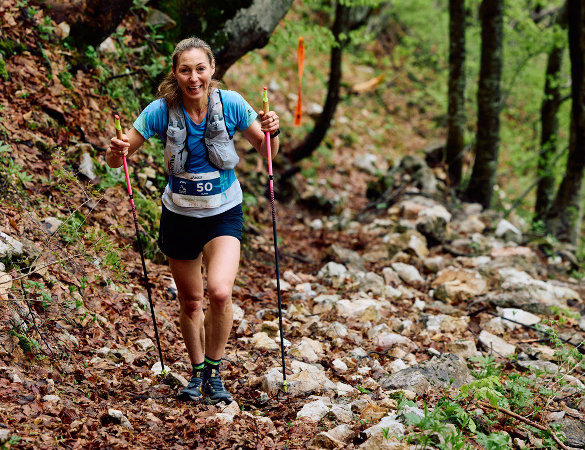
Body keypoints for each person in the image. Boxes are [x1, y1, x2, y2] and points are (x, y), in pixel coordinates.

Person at [106, 37, 280, 404]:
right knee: (190, 302)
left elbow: (268, 153)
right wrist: (116, 150)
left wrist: (272, 131)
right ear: (176, 73)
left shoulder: (230, 103)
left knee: (219, 291)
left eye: (200, 68)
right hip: (180, 214)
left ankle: (215, 372)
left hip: (223, 212)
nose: (193, 77)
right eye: (185, 69)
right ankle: (197, 371)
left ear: (212, 69)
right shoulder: (160, 111)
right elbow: (118, 158)